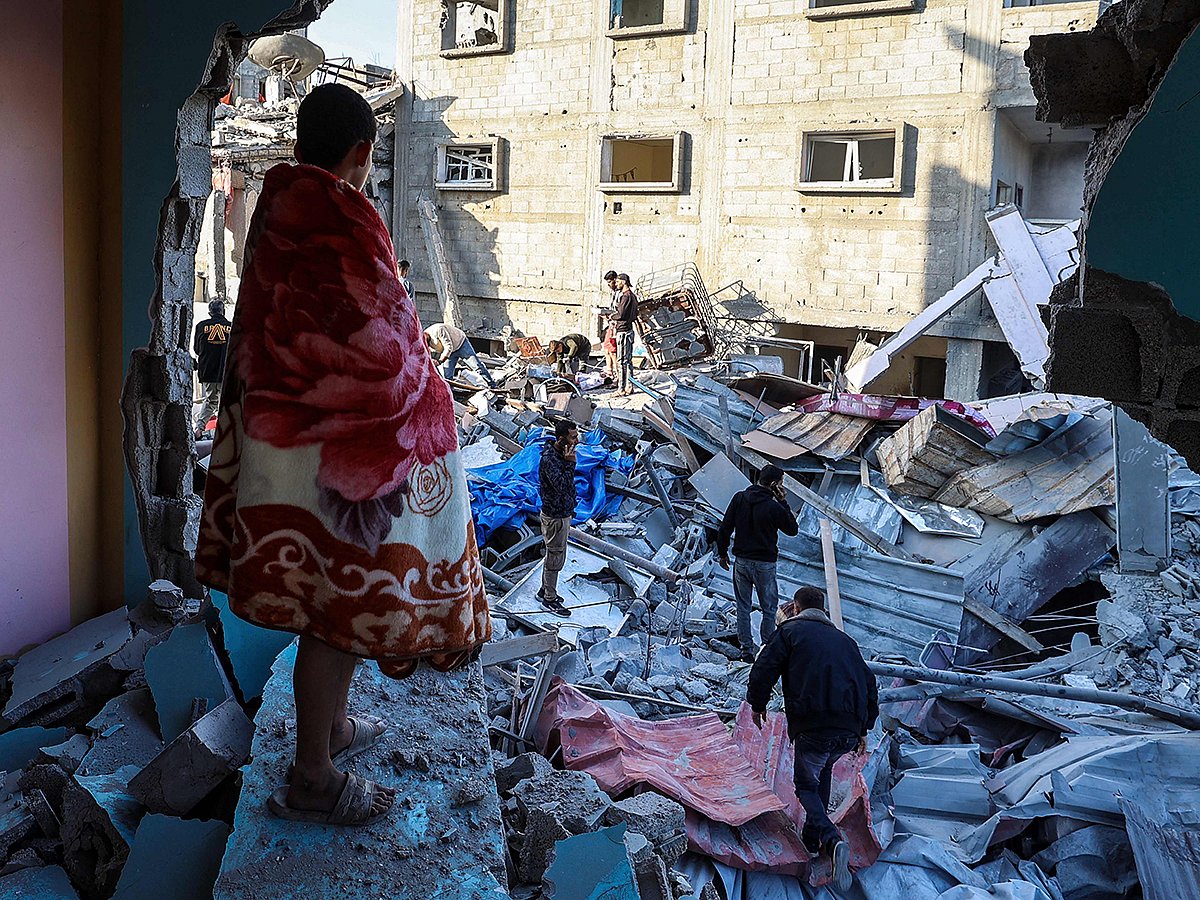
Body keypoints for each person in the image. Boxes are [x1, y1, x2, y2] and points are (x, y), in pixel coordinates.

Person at [194, 83, 491, 828]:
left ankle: (329, 731)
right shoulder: (343, 218)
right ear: (361, 155)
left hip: (284, 448)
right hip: (339, 462)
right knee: (338, 609)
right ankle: (313, 776)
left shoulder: (277, 208)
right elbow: (386, 344)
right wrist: (430, 396)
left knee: (331, 605)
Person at [747, 587, 878, 892]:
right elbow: (869, 684)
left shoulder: (790, 632)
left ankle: (831, 839)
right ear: (824, 610)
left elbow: (764, 667)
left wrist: (757, 704)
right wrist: (864, 728)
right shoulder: (847, 642)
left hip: (814, 723)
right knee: (824, 771)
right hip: (846, 731)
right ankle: (813, 839)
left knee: (806, 785)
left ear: (796, 606)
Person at [716, 464, 799, 662]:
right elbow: (792, 529)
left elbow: (725, 527)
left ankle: (746, 651)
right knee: (769, 610)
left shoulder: (739, 498)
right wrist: (783, 501)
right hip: (764, 565)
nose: (782, 486)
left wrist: (722, 553)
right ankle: (766, 649)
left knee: (742, 606)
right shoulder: (773, 506)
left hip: (741, 562)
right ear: (773, 484)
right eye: (780, 483)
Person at [537, 420, 578, 618]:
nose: (576, 441)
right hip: (555, 516)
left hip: (562, 512)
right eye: (572, 437)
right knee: (555, 556)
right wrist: (571, 464)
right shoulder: (550, 459)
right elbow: (561, 485)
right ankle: (549, 599)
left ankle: (544, 589)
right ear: (561, 439)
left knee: (555, 554)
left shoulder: (561, 455)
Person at [192, 298, 231, 438]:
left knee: (210, 401)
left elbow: (197, 350)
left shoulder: (201, 326)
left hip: (207, 370)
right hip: (226, 372)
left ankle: (199, 429)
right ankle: (227, 433)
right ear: (223, 311)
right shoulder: (232, 327)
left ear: (210, 312)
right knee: (227, 403)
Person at [425, 321, 498, 388]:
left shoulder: (438, 330)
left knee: (477, 366)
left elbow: (448, 347)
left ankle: (492, 385)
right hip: (450, 352)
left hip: (461, 344)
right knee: (447, 376)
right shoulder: (424, 340)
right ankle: (451, 395)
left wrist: (440, 361)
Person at [609, 273, 639, 396]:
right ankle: (629, 386)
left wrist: (611, 316)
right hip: (629, 330)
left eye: (618, 282)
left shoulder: (626, 297)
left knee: (621, 361)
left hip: (623, 332)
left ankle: (621, 389)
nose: (616, 284)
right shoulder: (633, 296)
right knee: (628, 360)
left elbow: (620, 314)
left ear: (624, 281)